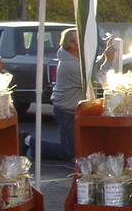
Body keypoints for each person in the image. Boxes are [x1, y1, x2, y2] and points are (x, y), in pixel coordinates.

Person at [23, 28, 116, 161]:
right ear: (71, 44)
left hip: (73, 109)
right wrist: (108, 61)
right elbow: (93, 81)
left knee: (79, 147)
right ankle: (28, 141)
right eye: (81, 41)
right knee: (70, 152)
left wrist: (104, 57)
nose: (85, 44)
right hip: (66, 111)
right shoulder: (70, 65)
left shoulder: (74, 59)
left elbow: (90, 70)